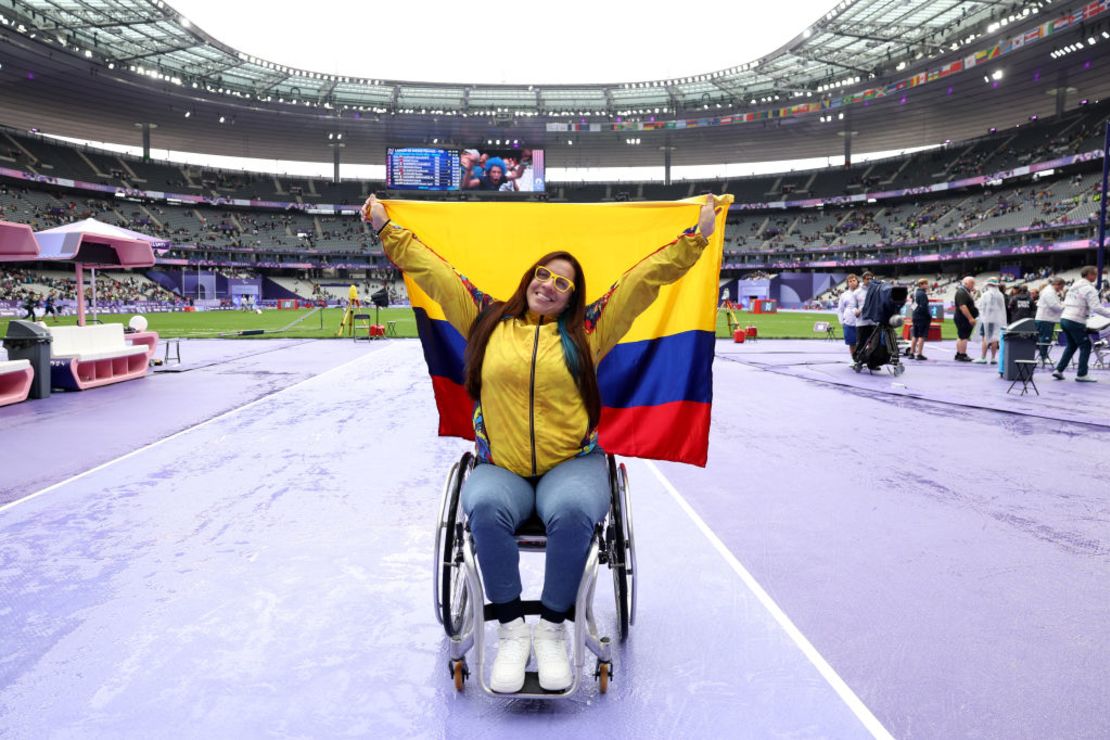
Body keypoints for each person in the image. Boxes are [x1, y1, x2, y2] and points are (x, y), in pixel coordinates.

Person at [360, 193, 720, 693]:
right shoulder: (486, 320)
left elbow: (643, 282)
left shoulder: (590, 332)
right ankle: (511, 630)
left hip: (570, 464)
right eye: (543, 275)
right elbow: (436, 274)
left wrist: (696, 238)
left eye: (563, 283)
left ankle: (551, 628)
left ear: (573, 298)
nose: (549, 285)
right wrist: (385, 230)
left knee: (574, 510)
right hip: (501, 466)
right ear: (529, 277)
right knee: (482, 507)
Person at [1052, 266, 1110, 382]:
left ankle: (1059, 370)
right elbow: (1096, 308)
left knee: (1072, 346)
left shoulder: (1073, 287)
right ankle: (1082, 374)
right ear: (1089, 275)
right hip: (1075, 320)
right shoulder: (1089, 288)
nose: (1096, 277)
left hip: (1065, 318)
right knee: (1086, 346)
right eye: (1095, 274)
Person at [974, 278, 1006, 364]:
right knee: (994, 338)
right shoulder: (1000, 295)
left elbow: (980, 306)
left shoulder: (986, 295)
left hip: (987, 319)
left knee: (985, 337)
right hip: (996, 319)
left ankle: (983, 357)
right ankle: (993, 358)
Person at [1035, 277, 1065, 363]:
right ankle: (1043, 357)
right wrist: (1064, 306)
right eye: (1061, 287)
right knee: (1045, 339)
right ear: (1057, 284)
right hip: (1045, 319)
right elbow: (1054, 306)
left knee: (1046, 339)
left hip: (1047, 319)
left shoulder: (1051, 291)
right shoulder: (1049, 292)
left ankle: (1043, 356)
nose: (1062, 289)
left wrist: (1061, 305)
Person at [952, 276, 977, 362]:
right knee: (964, 336)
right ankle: (962, 354)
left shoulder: (964, 291)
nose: (974, 285)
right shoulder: (962, 292)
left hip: (961, 317)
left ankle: (959, 354)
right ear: (966, 283)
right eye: (972, 283)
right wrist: (970, 318)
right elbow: (963, 306)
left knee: (961, 336)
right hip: (963, 318)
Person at [853, 272, 875, 360]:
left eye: (871, 278)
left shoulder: (876, 290)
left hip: (874, 321)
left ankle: (872, 362)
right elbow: (852, 305)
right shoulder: (857, 292)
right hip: (862, 322)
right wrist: (856, 311)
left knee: (874, 344)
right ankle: (857, 361)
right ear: (863, 279)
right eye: (867, 279)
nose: (869, 280)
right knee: (861, 343)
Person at [837, 274, 860, 358]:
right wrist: (842, 322)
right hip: (849, 322)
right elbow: (840, 309)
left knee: (864, 343)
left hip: (862, 323)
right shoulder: (844, 295)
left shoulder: (863, 292)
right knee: (852, 343)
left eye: (854, 280)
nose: (852, 283)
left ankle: (863, 360)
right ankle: (854, 360)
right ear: (847, 283)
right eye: (850, 281)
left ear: (857, 281)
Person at [910, 277, 931, 360]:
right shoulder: (922, 294)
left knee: (915, 335)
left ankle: (911, 353)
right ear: (921, 285)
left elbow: (912, 305)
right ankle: (919, 354)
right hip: (922, 317)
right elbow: (924, 307)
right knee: (922, 335)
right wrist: (928, 316)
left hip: (915, 315)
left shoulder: (915, 293)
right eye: (926, 284)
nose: (927, 285)